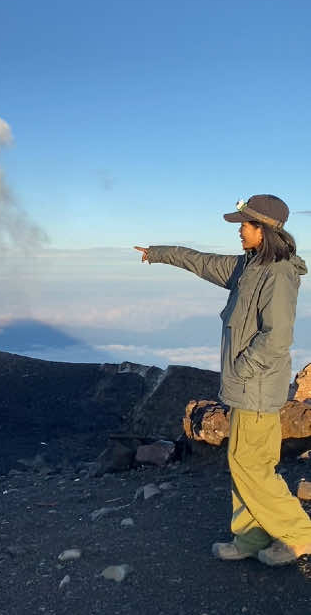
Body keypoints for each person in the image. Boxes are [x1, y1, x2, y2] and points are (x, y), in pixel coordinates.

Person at [134, 194, 311, 566]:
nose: (239, 230)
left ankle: (298, 534)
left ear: (263, 230)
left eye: (245, 224)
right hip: (246, 389)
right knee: (243, 462)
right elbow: (201, 262)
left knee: (253, 466)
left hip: (257, 389)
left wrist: (243, 370)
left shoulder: (277, 275)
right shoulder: (250, 268)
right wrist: (157, 253)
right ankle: (250, 536)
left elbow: (276, 337)